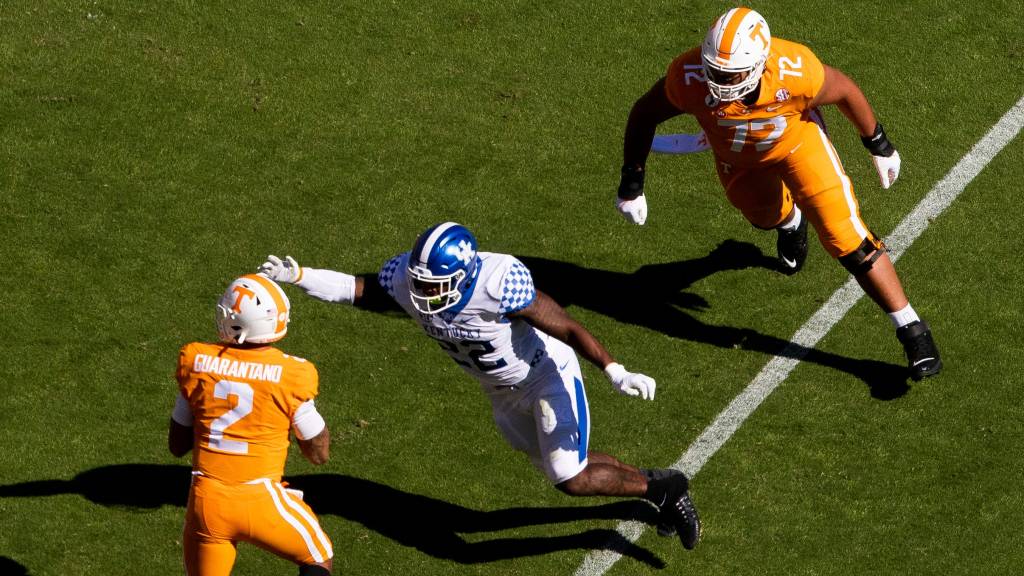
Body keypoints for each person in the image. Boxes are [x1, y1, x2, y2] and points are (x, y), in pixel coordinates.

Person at [258, 221, 701, 549]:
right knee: (564, 465)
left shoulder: (498, 281)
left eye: (435, 284)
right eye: (421, 281)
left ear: (464, 274)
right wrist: (301, 277)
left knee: (568, 476)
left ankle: (665, 489)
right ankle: (653, 484)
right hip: (499, 392)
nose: (423, 293)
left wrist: (614, 369)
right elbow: (362, 290)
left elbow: (563, 324)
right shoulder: (410, 281)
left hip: (543, 374)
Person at [615, 7, 941, 381]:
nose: (717, 80)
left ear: (758, 64)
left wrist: (878, 142)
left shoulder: (793, 68)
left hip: (797, 144)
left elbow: (845, 90)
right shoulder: (689, 75)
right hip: (737, 157)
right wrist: (632, 182)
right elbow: (644, 113)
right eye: (713, 69)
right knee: (762, 216)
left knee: (848, 238)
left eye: (729, 73)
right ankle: (790, 221)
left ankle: (911, 328)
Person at [169, 274, 334, 576]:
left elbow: (177, 446)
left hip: (207, 503)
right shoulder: (292, 374)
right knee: (318, 557)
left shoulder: (195, 360)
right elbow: (318, 454)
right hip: (261, 500)